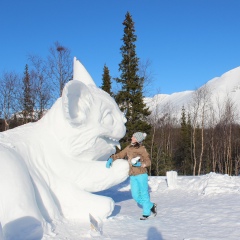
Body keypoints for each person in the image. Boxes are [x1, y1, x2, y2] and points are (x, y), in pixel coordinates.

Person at [106, 132, 157, 220]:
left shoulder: (142, 149)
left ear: (137, 139)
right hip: (132, 175)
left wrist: (140, 164)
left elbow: (148, 162)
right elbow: (120, 155)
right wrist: (111, 158)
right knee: (135, 195)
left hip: (141, 174)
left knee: (144, 194)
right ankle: (151, 205)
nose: (132, 137)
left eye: (133, 137)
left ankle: (146, 214)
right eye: (132, 136)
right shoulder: (129, 148)